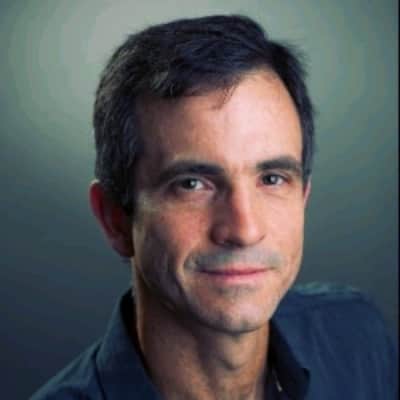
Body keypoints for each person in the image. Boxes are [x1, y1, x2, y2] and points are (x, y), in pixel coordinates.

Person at [31, 14, 397, 400]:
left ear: (303, 198)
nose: (244, 230)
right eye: (191, 184)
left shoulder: (357, 338)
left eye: (272, 179)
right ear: (115, 220)